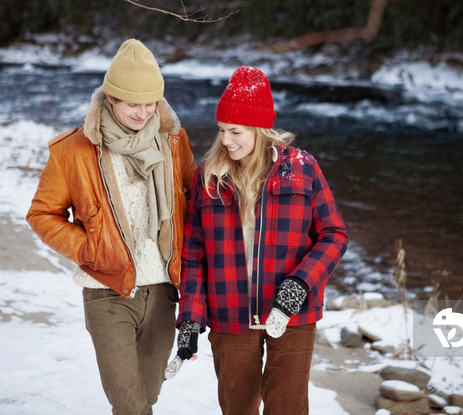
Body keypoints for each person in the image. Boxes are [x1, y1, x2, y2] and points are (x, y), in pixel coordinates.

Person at [26, 39, 196, 415]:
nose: (142, 112)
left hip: (164, 289)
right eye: (133, 103)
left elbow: (192, 200)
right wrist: (89, 250)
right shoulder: (74, 150)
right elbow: (42, 214)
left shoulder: (172, 140)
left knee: (147, 395)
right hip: (107, 290)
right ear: (111, 98)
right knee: (130, 404)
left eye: (150, 103)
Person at [175, 66, 348, 415]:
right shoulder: (208, 176)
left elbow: (334, 235)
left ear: (259, 129)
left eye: (235, 131)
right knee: (237, 407)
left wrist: (300, 283)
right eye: (222, 130)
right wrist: (190, 318)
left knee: (288, 408)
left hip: (292, 315)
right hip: (230, 314)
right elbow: (193, 254)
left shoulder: (303, 168)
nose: (226, 140)